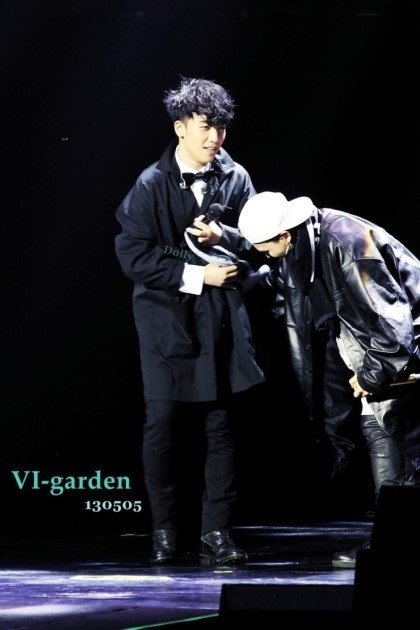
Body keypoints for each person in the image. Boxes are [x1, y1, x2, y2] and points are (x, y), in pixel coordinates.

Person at [114, 77, 265, 566]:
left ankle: (215, 533)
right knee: (162, 425)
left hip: (220, 321)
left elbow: (260, 244)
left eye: (221, 128)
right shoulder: (151, 184)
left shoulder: (235, 176)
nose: (214, 138)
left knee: (222, 427)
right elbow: (134, 256)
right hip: (166, 322)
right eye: (205, 127)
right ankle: (164, 529)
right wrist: (198, 274)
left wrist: (228, 241)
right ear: (180, 128)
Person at [233, 191, 420, 568]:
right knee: (383, 433)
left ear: (285, 236)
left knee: (395, 435)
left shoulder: (346, 245)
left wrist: (371, 375)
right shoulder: (312, 238)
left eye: (267, 248)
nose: (267, 256)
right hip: (386, 354)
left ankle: (391, 545)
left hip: (403, 353)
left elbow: (391, 322)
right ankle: (391, 542)